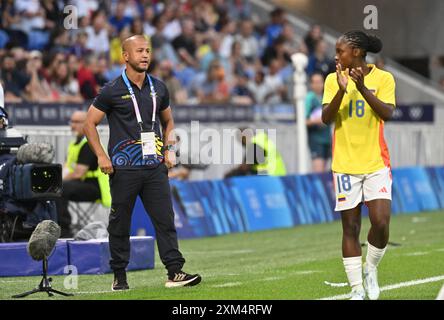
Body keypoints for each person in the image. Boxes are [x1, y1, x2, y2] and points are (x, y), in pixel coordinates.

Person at [84, 35, 201, 290]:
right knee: (120, 222)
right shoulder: (112, 90)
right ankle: (120, 276)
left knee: (165, 220)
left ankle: (175, 272)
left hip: (155, 167)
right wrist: (102, 156)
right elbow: (88, 124)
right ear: (125, 56)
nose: (145, 55)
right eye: (139, 51)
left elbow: (168, 121)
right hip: (124, 169)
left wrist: (169, 151)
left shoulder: (159, 87)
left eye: (148, 50)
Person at [322, 31, 396, 300]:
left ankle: (371, 268)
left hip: (376, 163)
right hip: (344, 166)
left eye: (340, 51)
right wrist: (342, 91)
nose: (336, 56)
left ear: (356, 52)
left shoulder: (383, 78)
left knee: (380, 222)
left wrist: (362, 87)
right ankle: (356, 290)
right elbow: (325, 118)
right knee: (350, 228)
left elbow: (388, 113)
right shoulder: (333, 80)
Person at [56, 111, 111, 238]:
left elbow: (78, 173)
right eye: (72, 122)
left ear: (86, 124)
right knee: (57, 188)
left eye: (77, 122)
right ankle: (60, 224)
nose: (73, 125)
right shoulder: (74, 144)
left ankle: (64, 230)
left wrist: (58, 181)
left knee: (59, 189)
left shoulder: (88, 143)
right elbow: (67, 168)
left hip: (95, 187)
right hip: (81, 184)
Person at [305, 73, 331, 173]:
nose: (318, 85)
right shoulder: (309, 98)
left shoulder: (326, 96)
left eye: (320, 82)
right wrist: (316, 121)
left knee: (326, 170)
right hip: (316, 140)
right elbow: (304, 120)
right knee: (319, 171)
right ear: (311, 84)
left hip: (327, 139)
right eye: (315, 82)